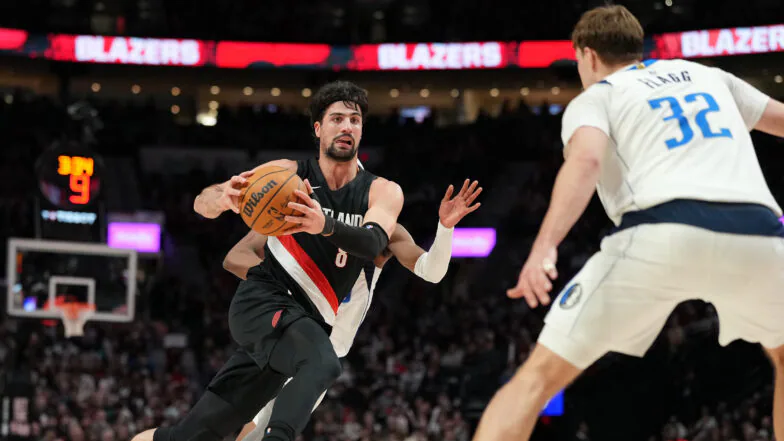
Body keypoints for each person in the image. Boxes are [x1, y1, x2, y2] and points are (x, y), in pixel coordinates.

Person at [472, 5, 784, 441]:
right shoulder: (709, 76)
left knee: (537, 379)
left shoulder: (598, 97)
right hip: (761, 235)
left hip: (662, 232)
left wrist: (544, 246)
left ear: (588, 55)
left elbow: (586, 161)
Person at [133, 80, 406, 441]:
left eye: (354, 120)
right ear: (318, 128)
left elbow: (373, 243)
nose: (346, 127)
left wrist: (324, 225)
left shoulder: (382, 191)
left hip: (301, 326)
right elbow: (203, 202)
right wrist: (221, 199)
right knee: (323, 363)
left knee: (192, 436)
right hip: (265, 302)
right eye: (337, 119)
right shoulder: (288, 174)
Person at [230, 179, 482, 441]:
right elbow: (236, 257)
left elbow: (431, 271)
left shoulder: (385, 231)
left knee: (266, 429)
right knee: (262, 426)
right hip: (294, 337)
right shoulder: (303, 218)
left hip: (325, 354)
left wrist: (445, 228)